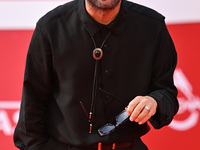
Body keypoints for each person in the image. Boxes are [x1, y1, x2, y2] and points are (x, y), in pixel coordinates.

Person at [14, 0, 179, 149]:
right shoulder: (51, 28)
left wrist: (154, 101)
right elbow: (32, 105)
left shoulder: (152, 26)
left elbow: (167, 92)